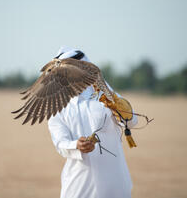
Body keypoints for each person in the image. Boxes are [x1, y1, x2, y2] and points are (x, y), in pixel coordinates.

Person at [48, 47, 138, 198]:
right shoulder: (56, 106)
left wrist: (118, 105)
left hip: (115, 183)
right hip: (79, 186)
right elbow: (60, 143)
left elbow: (132, 121)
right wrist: (76, 145)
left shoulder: (106, 95)